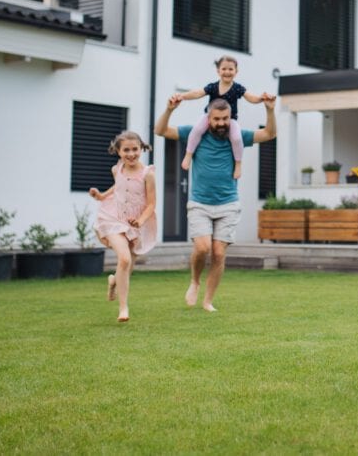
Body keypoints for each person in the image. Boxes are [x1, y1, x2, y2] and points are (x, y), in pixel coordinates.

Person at [155, 91, 277, 312]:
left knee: (219, 253)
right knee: (202, 248)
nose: (221, 123)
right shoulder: (195, 134)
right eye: (217, 119)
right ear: (208, 118)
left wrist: (269, 109)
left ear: (230, 117)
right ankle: (194, 281)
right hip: (200, 202)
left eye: (225, 119)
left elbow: (269, 134)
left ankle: (208, 301)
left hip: (228, 203)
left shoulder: (236, 136)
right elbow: (160, 131)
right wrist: (169, 110)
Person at [89, 131, 157, 323]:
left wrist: (141, 221)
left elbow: (151, 203)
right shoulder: (116, 169)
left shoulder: (148, 174)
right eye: (126, 150)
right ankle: (123, 308)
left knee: (127, 267)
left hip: (136, 222)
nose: (131, 154)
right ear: (118, 151)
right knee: (124, 259)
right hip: (113, 218)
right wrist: (102, 196)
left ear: (141, 149)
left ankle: (113, 281)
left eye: (135, 149)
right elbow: (117, 187)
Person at [178, 55, 266, 180]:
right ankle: (188, 155)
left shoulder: (237, 88)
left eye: (231, 69)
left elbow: (250, 97)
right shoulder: (213, 87)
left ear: (236, 71)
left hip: (230, 120)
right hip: (210, 117)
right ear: (218, 71)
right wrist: (182, 96)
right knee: (196, 130)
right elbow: (197, 93)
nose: (227, 72)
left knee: (236, 138)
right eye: (224, 69)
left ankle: (238, 164)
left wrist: (260, 99)